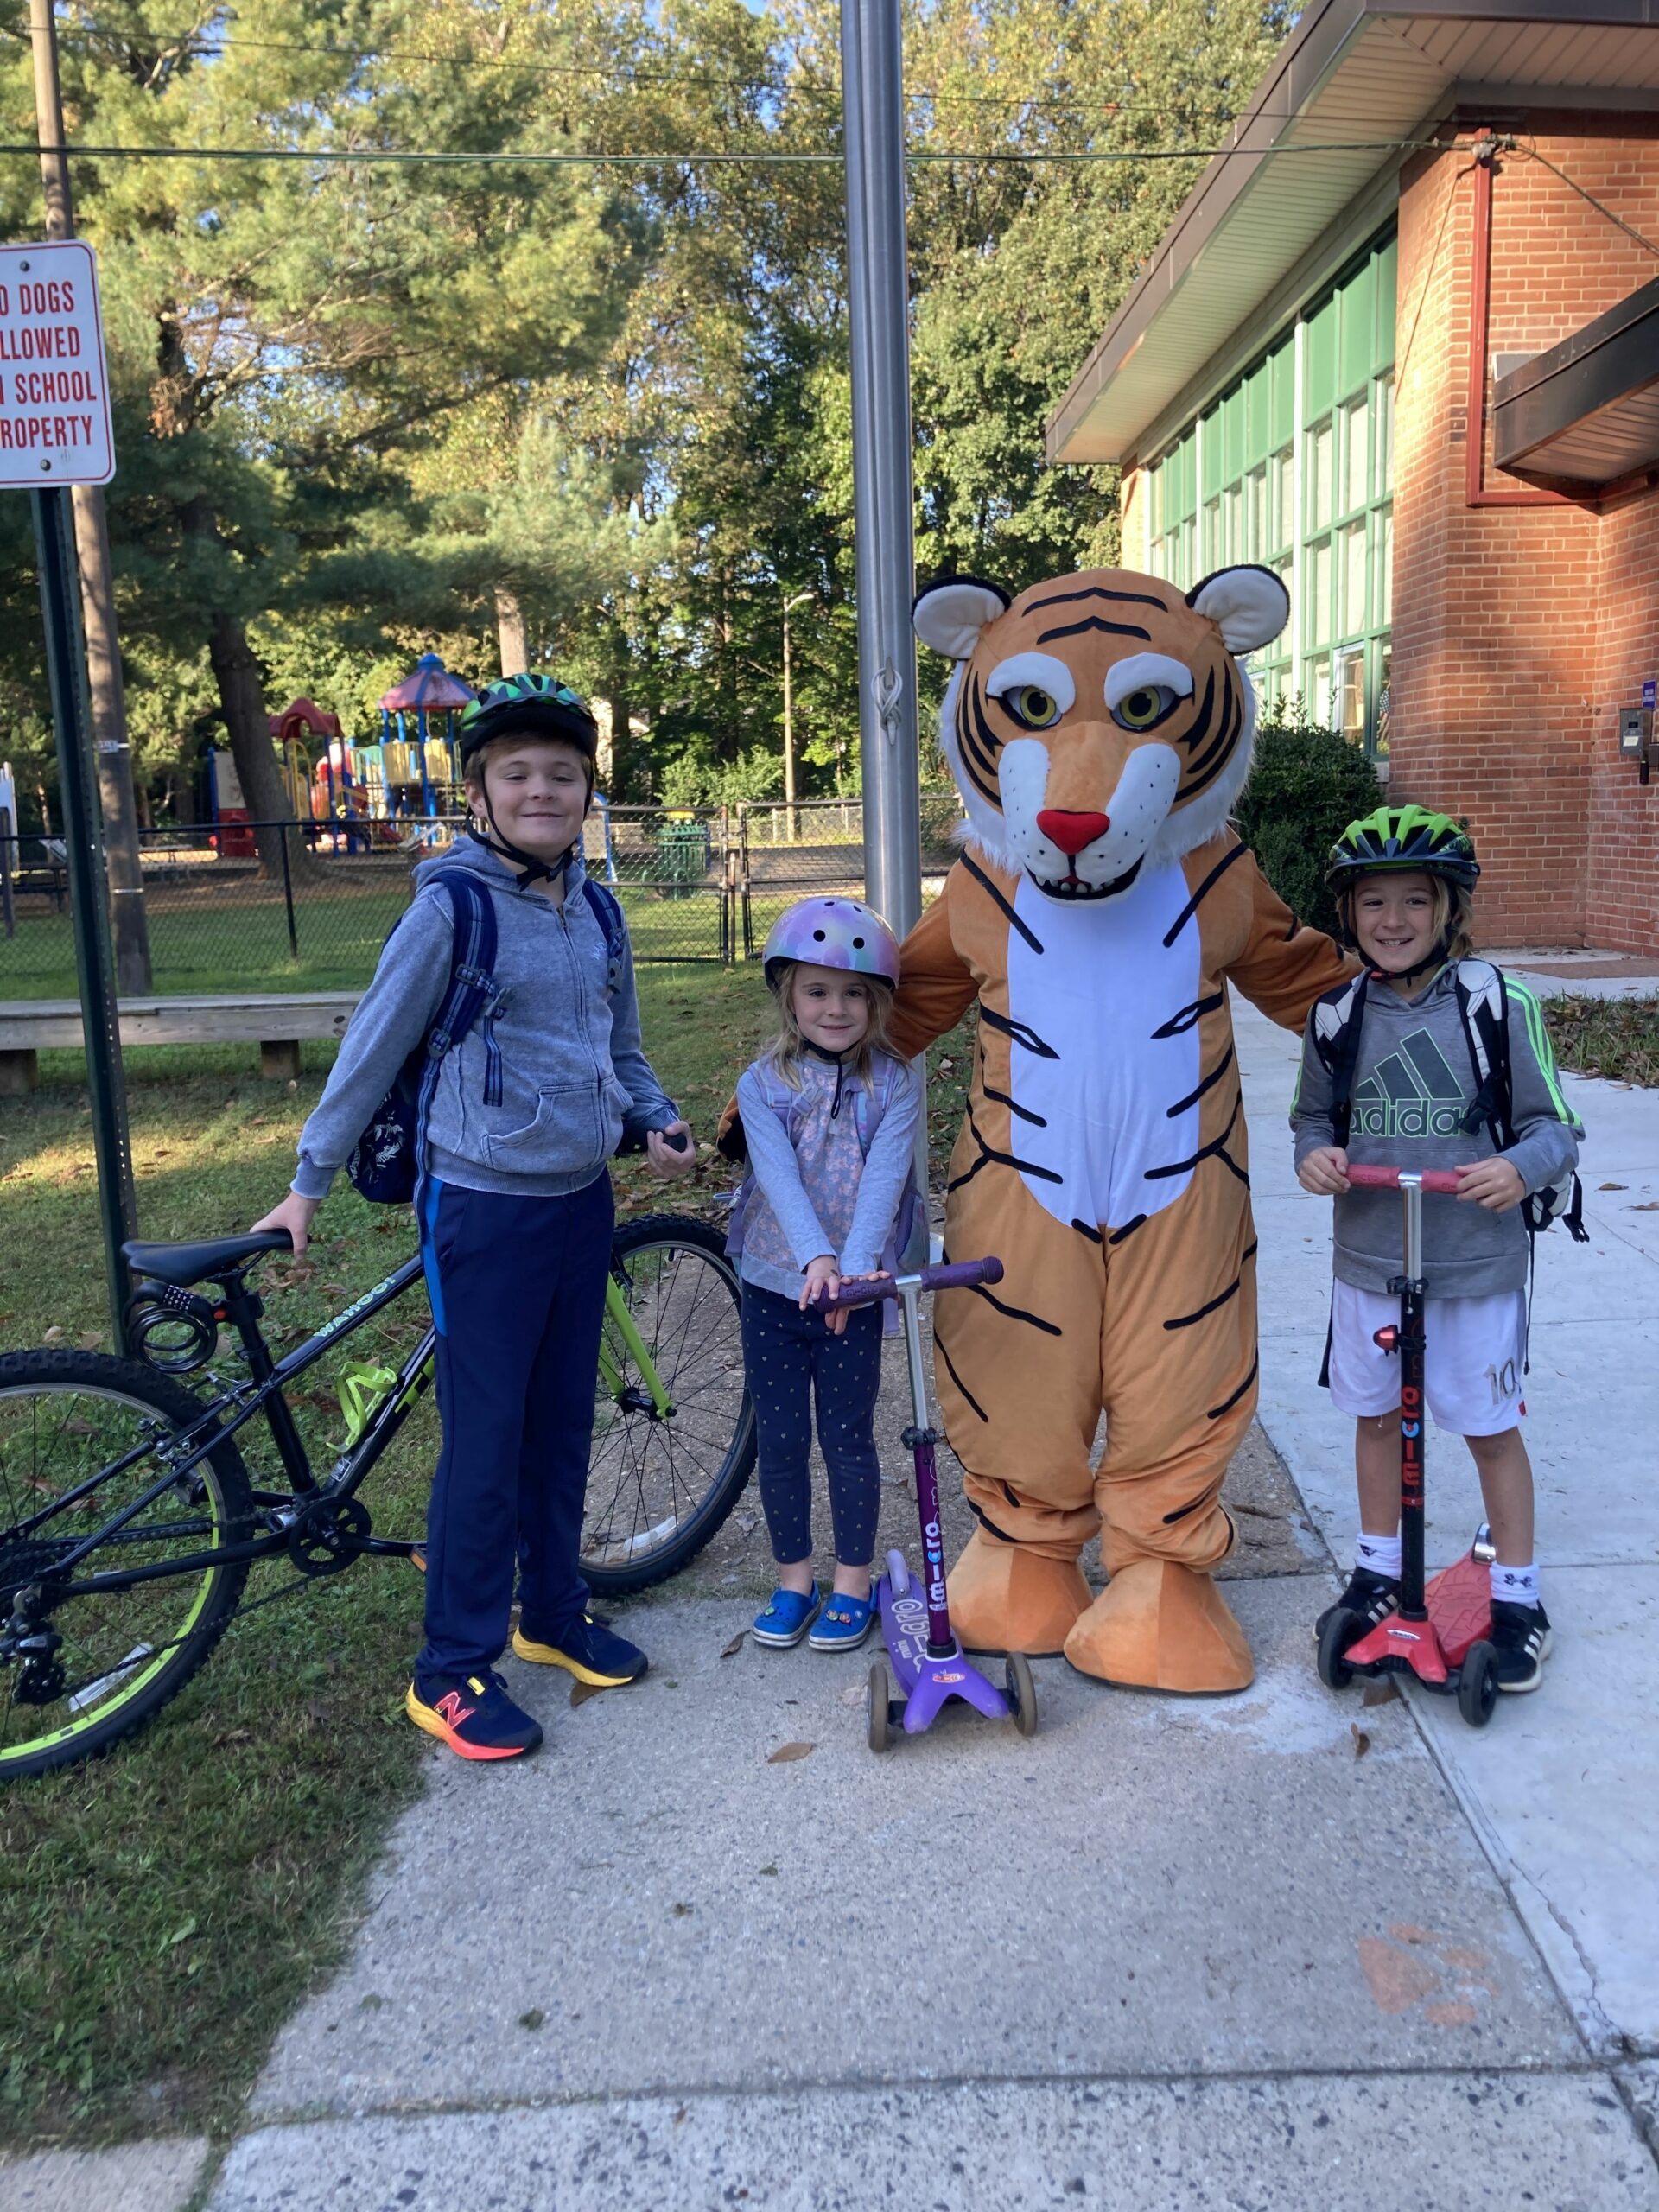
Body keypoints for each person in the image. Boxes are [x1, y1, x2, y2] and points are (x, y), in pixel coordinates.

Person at [253, 673, 696, 1760]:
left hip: (580, 1201)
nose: (542, 790)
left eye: (562, 773)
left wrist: (657, 1115)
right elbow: (371, 1052)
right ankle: (449, 1668)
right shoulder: (449, 906)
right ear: (481, 791)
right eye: (518, 774)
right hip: (483, 1210)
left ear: (587, 788)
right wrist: (306, 1183)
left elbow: (618, 1044)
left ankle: (549, 1615)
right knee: (486, 1443)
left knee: (560, 1424)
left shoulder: (597, 907)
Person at [1292, 805, 1583, 1693]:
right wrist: (1315, 1155)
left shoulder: (1497, 1004)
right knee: (1377, 1418)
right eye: (1373, 901)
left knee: (1489, 1430)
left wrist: (1518, 1167)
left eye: (1414, 901)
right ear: (1349, 912)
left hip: (1474, 1263)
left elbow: (1555, 1128)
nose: (1392, 920)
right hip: (1372, 1256)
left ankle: (1519, 1597)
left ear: (1449, 910)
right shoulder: (1337, 1014)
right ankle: (1381, 1570)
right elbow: (1311, 1116)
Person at [726, 896, 921, 1652]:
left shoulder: (894, 1084)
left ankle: (850, 1582)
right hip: (775, 1284)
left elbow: (883, 1183)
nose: (835, 1008)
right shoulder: (762, 1084)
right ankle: (793, 1579)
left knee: (846, 1436)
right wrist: (816, 1261)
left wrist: (855, 1273)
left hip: (856, 1293)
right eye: (817, 991)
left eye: (854, 994)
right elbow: (774, 1177)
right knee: (779, 1440)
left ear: (875, 1003)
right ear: (788, 996)